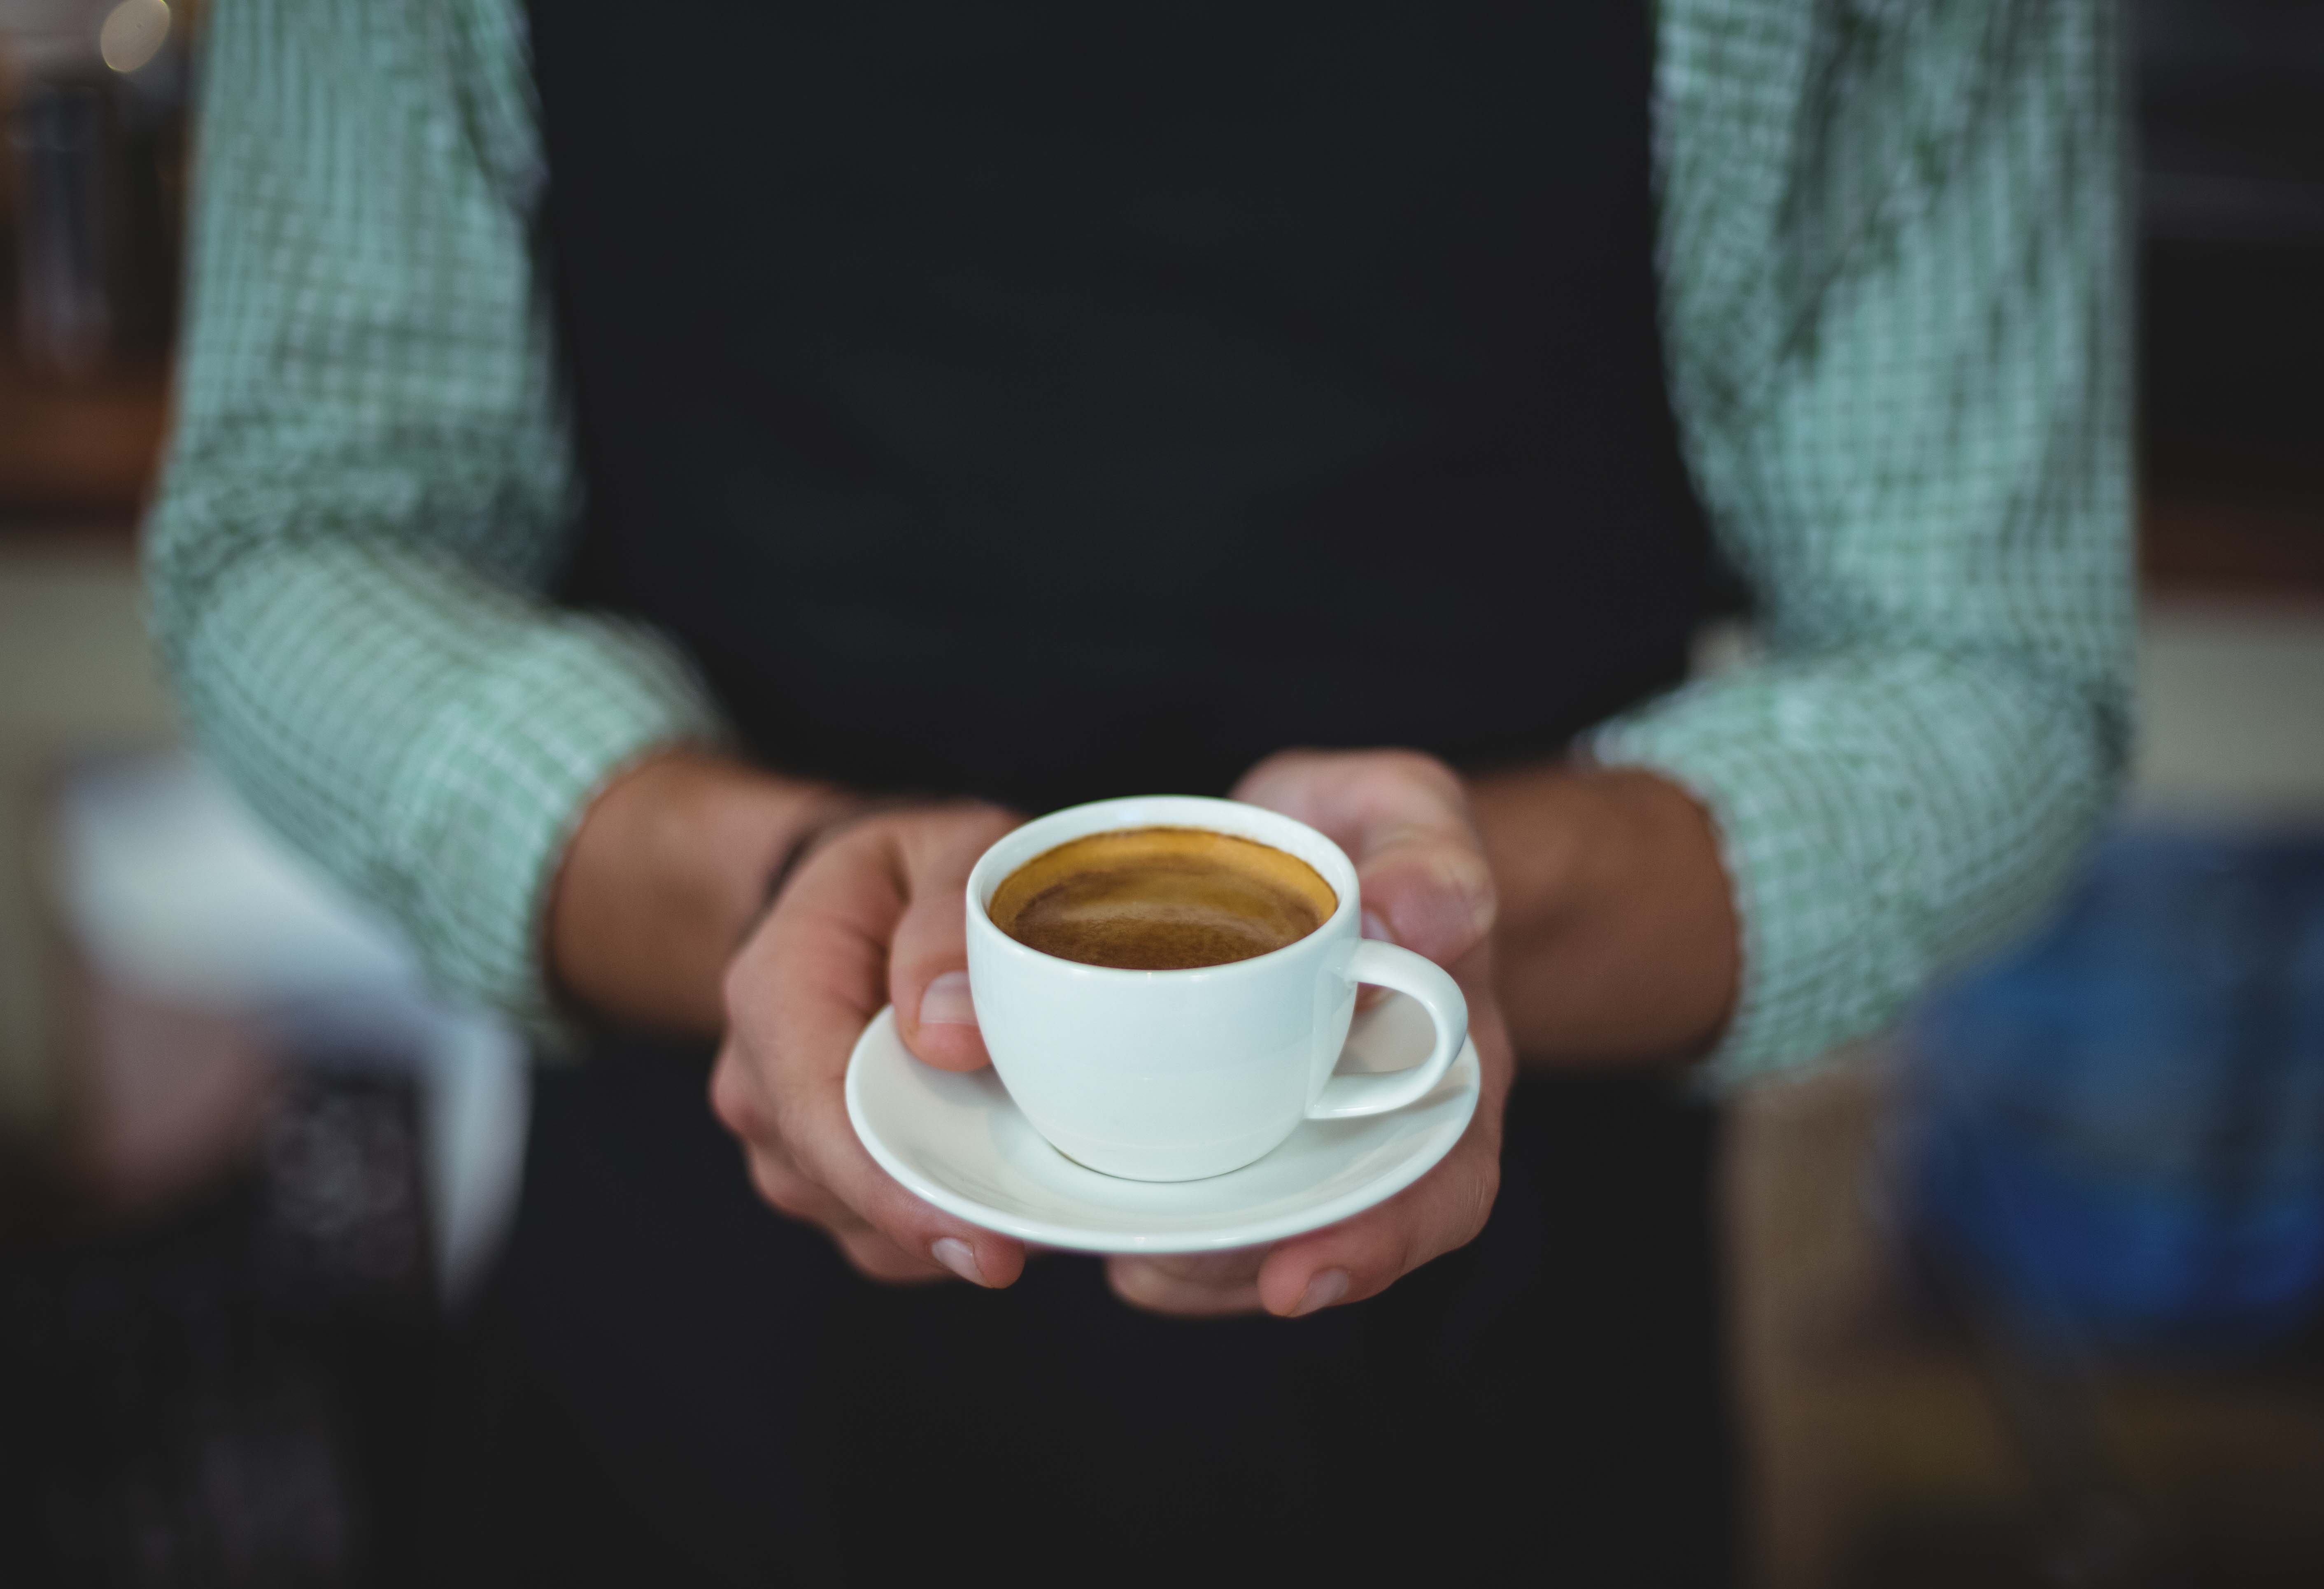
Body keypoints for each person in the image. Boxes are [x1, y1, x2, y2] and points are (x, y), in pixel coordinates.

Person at [146, 1, 2130, 1582]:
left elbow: (1992, 670)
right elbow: (297, 531)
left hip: (1510, 1377)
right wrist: (768, 891)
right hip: (692, 1364)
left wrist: (1471, 919)